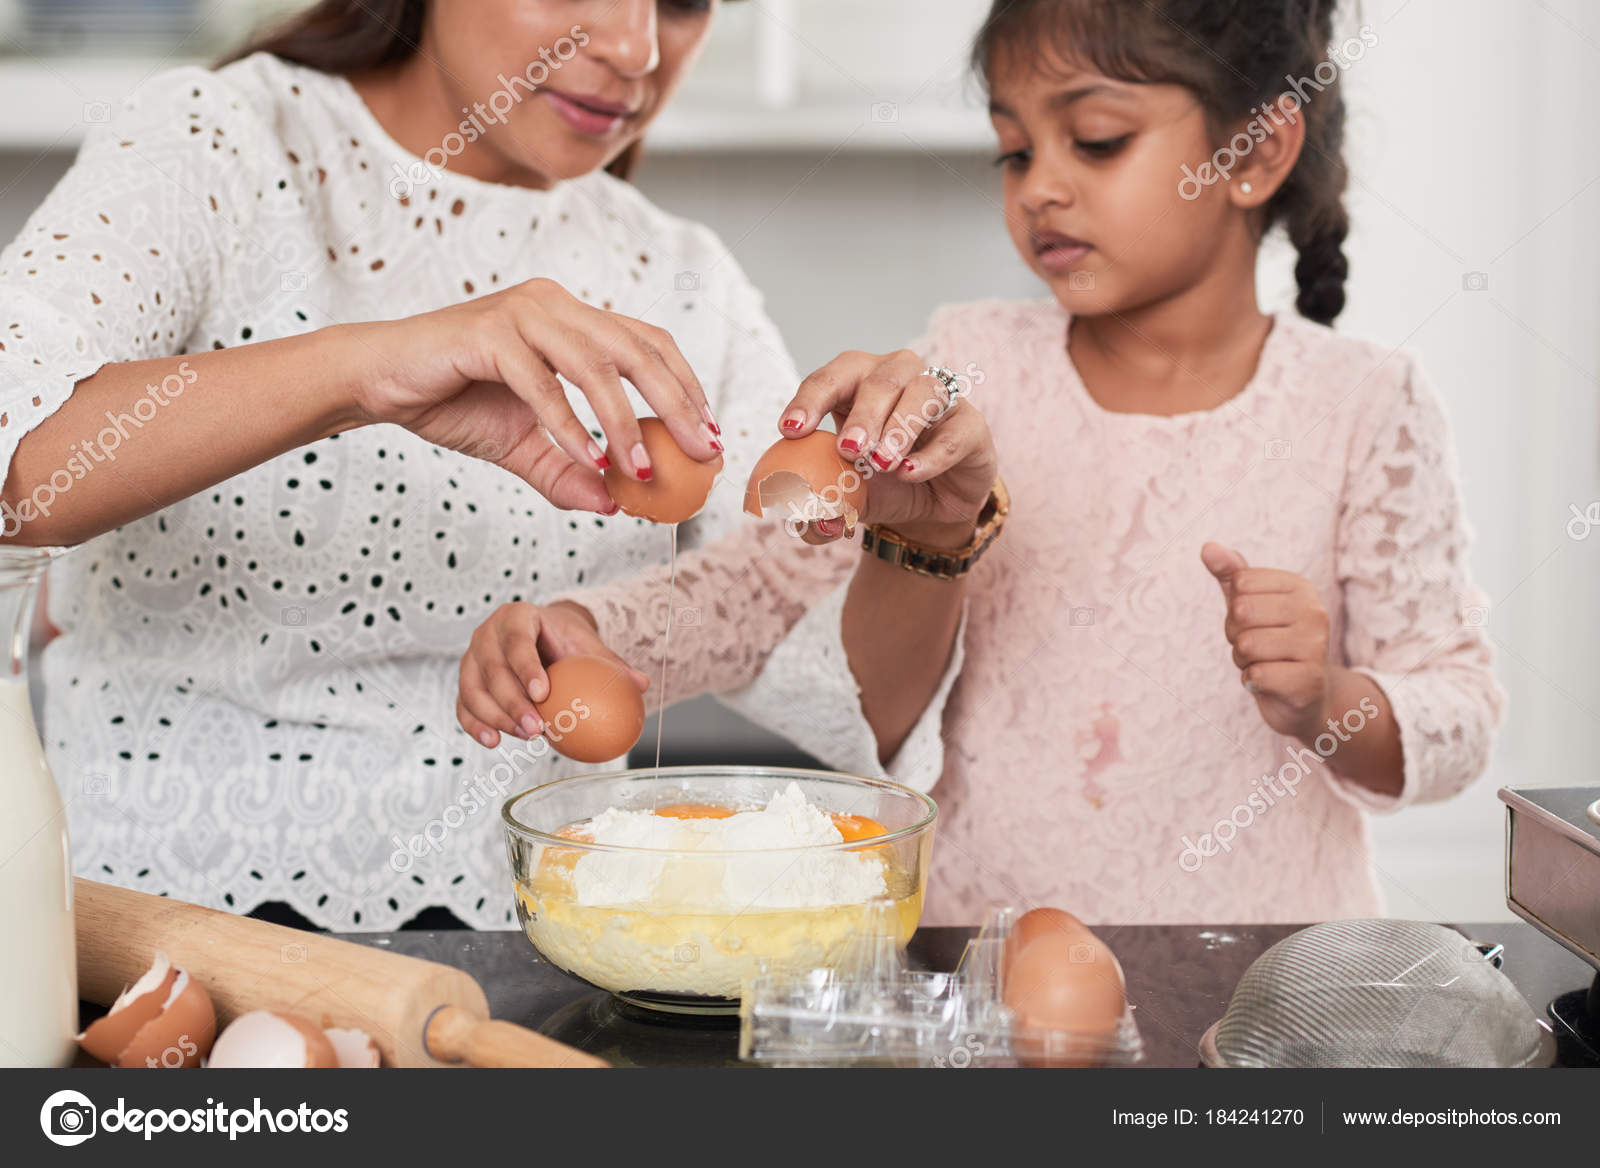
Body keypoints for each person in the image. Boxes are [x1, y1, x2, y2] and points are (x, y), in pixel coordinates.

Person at [462, 0, 1504, 925]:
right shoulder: (969, 369)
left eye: (1094, 141)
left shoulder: (1364, 404)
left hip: (1257, 996)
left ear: (1258, 151)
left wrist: (1327, 701)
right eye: (1013, 151)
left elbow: (1455, 714)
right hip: (977, 976)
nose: (1040, 187)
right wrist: (594, 632)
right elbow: (772, 581)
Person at [0, 0, 993, 930]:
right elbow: (17, 467)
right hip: (163, 952)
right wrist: (366, 367)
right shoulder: (217, 142)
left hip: (535, 972)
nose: (638, 48)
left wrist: (925, 536)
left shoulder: (682, 279)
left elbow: (841, 700)